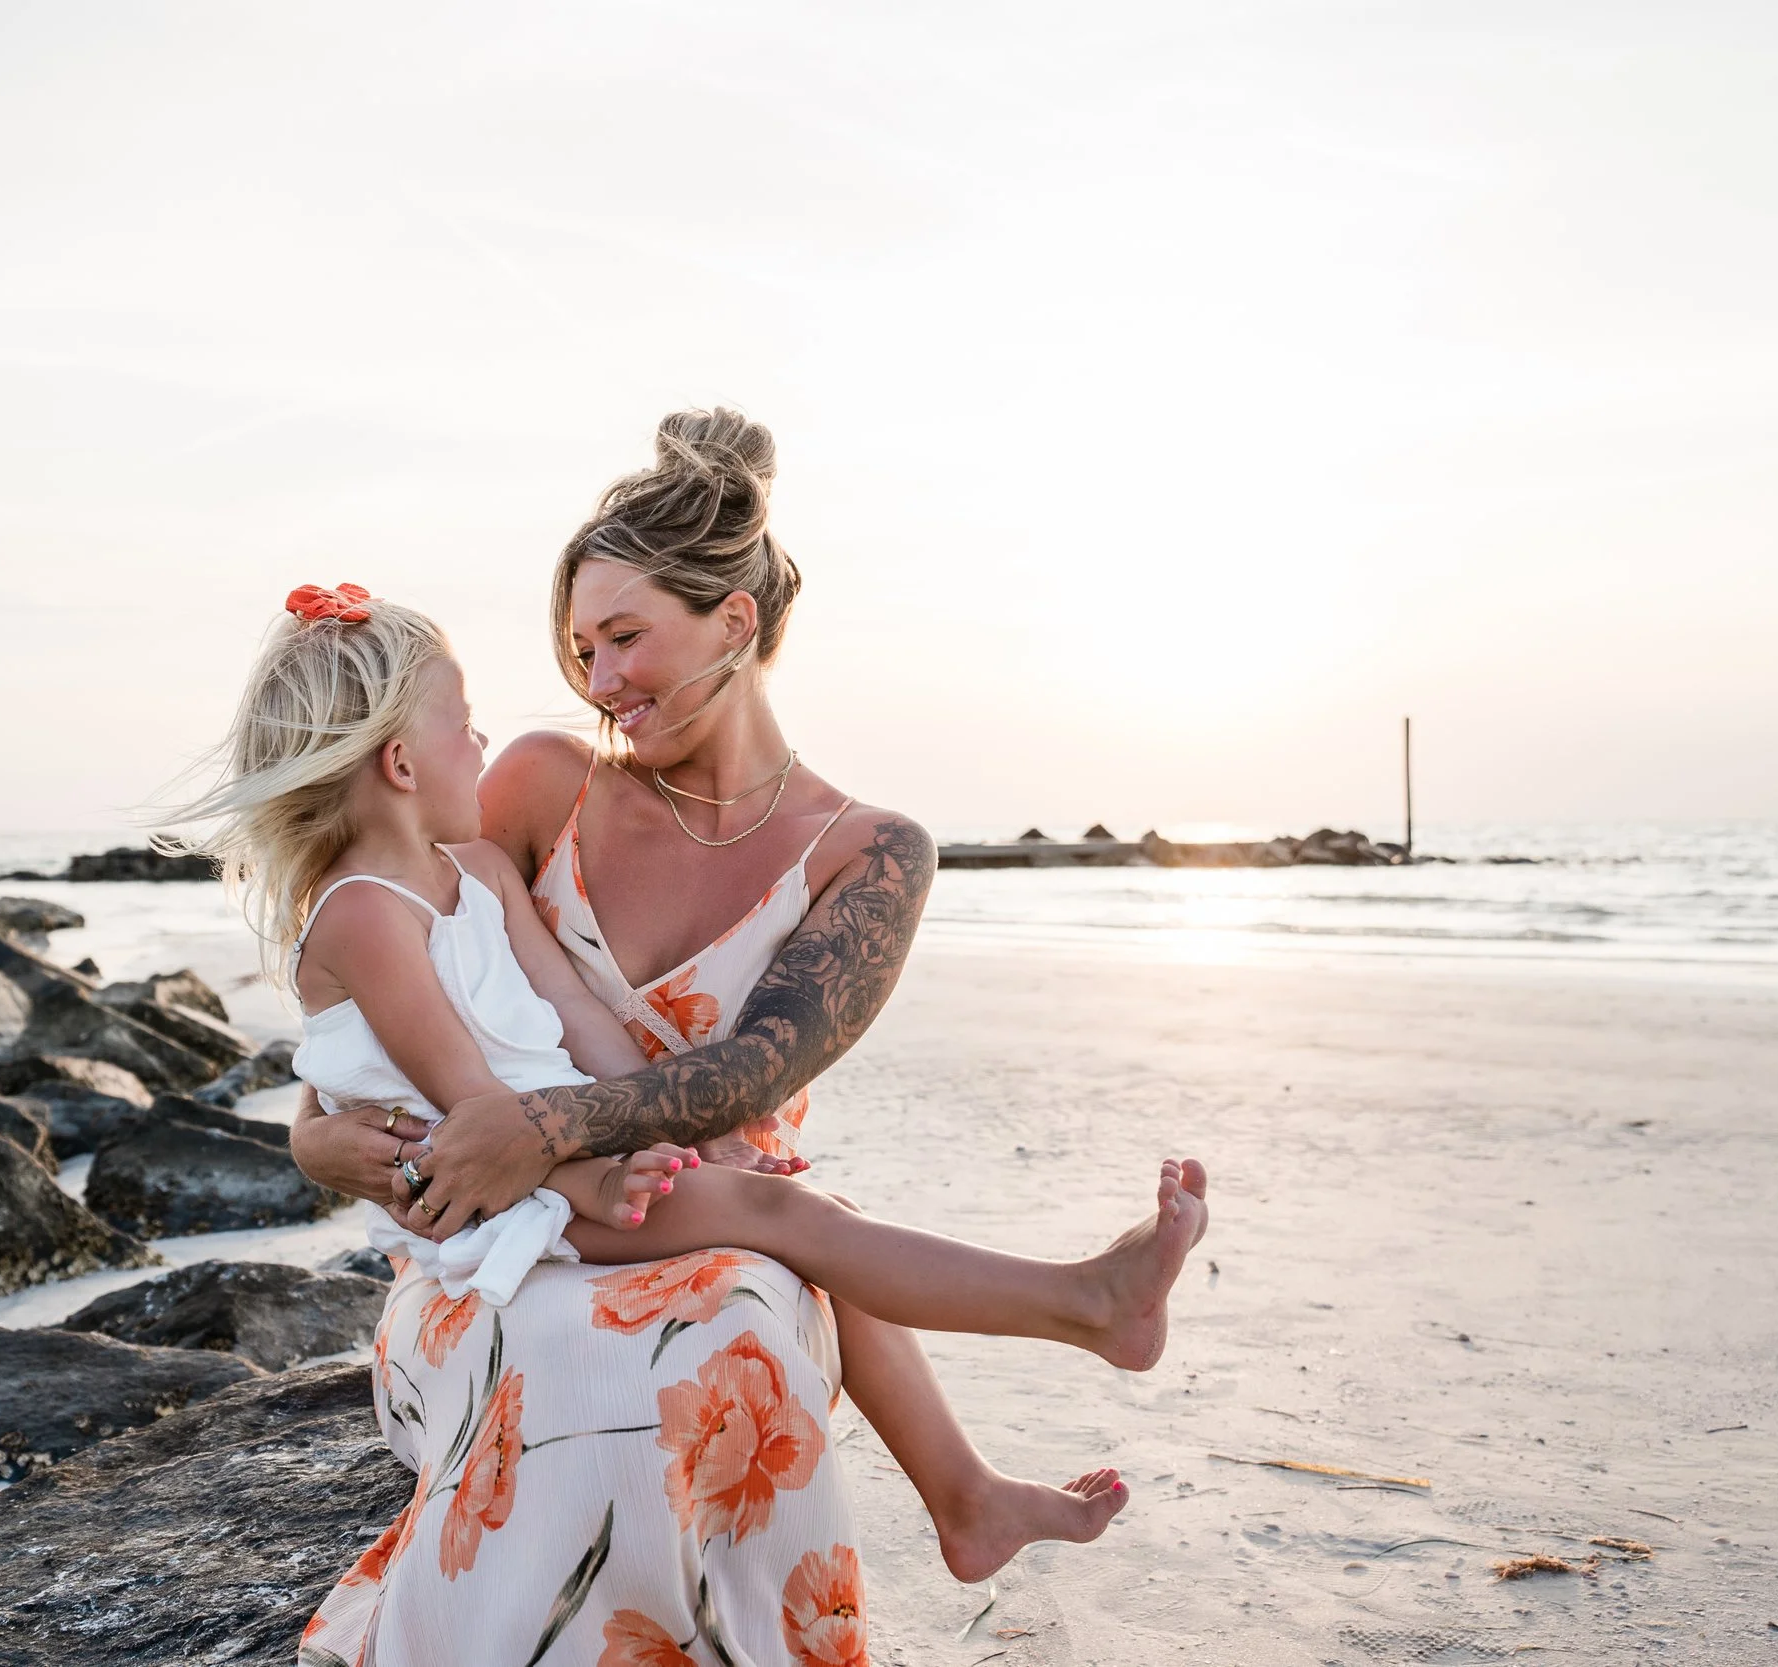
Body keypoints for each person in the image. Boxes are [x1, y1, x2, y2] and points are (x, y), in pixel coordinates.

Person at [271, 411, 1208, 1666]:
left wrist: (544, 1136)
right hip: (502, 1232)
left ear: (736, 622)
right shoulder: (542, 784)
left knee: (745, 1316)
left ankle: (915, 1516)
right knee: (591, 1364)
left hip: (702, 1200)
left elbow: (752, 1070)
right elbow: (385, 1001)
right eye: (579, 649)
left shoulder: (870, 851)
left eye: (624, 639)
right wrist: (337, 1144)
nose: (597, 682)